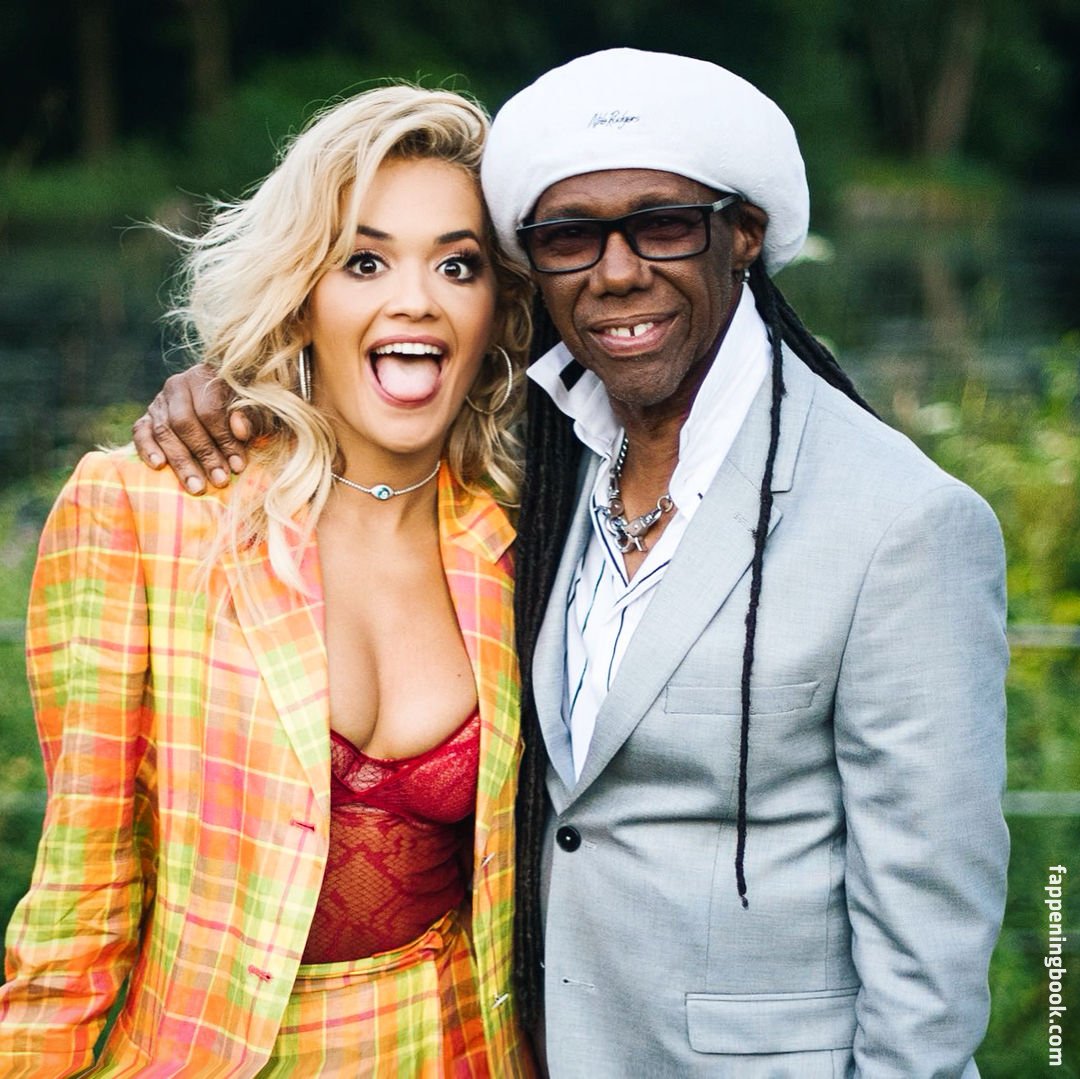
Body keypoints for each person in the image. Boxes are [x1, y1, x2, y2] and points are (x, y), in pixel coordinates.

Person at [129, 50, 1010, 1078]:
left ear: (745, 232)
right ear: (536, 271)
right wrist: (231, 386)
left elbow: (930, 950)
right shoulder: (539, 460)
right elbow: (379, 374)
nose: (617, 271)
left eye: (663, 224)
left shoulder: (903, 523)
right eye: (569, 237)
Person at [0, 85, 537, 1076]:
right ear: (302, 295)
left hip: (461, 1045)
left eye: (457, 264)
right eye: (364, 261)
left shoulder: (520, 544)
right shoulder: (147, 512)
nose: (416, 299)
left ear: (498, 306)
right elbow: (81, 887)